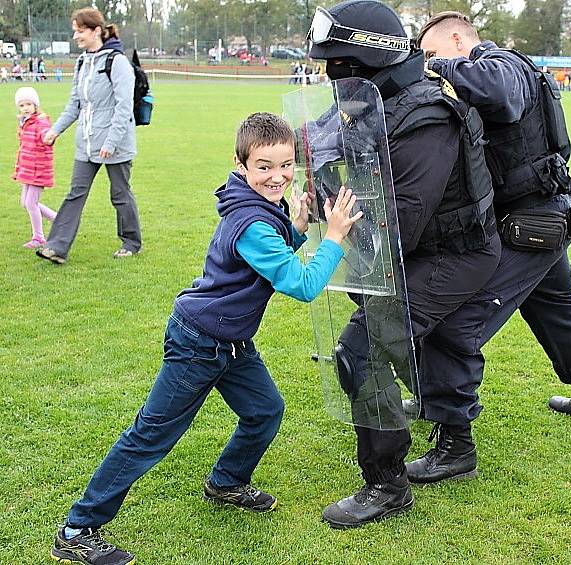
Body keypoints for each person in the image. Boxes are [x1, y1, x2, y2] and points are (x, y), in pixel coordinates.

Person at [50, 112, 363, 565]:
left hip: (232, 343)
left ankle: (227, 481)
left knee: (264, 410)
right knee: (150, 435)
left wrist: (295, 229)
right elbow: (302, 284)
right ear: (241, 165)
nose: (277, 177)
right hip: (199, 342)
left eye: (286, 164)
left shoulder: (257, 206)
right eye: (264, 166)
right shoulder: (251, 220)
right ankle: (77, 529)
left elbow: (269, 257)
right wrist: (332, 236)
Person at [307, 0, 501, 528]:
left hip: (453, 253)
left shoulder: (425, 119)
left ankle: (387, 485)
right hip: (419, 248)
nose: (331, 77)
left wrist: (334, 213)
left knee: (359, 350)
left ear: (374, 64)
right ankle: (455, 445)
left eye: (340, 66)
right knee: (422, 341)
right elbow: (328, 160)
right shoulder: (374, 105)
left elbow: (399, 225)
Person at [410, 12, 571, 484]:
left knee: (456, 322)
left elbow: (498, 95)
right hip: (542, 217)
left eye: (433, 54)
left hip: (531, 222)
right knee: (557, 309)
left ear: (458, 39)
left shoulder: (501, 63)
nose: (430, 65)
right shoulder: (502, 67)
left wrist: (434, 69)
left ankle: (454, 443)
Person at [36, 8, 142, 265]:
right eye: (75, 30)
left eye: (80, 31)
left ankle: (131, 242)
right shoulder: (82, 62)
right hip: (86, 142)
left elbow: (123, 107)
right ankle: (56, 247)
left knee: (120, 194)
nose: (76, 36)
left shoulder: (117, 62)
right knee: (75, 193)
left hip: (114, 142)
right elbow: (75, 104)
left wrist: (110, 142)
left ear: (96, 31)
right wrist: (55, 130)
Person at [13, 86, 57, 248]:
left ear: (35, 105)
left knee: (31, 203)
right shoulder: (25, 123)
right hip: (28, 168)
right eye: (22, 105)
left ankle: (38, 237)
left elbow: (47, 137)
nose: (25, 108)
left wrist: (49, 137)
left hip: (39, 169)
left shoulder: (41, 122)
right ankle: (59, 220)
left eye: (28, 104)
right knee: (25, 202)